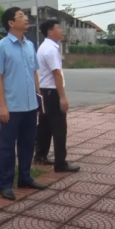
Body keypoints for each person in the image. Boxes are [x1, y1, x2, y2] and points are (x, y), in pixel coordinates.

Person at [0, 7, 47, 201]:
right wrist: (2, 106)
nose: (26, 19)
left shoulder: (30, 45)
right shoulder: (1, 46)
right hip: (12, 108)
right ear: (11, 23)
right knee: (7, 147)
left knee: (27, 144)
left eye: (25, 16)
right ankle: (5, 184)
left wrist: (39, 98)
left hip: (30, 106)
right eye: (21, 16)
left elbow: (34, 73)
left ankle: (25, 178)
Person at [34, 19, 80, 173]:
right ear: (50, 32)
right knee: (59, 128)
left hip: (44, 92)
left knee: (45, 126)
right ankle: (60, 163)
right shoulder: (52, 49)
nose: (61, 31)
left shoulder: (42, 47)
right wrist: (62, 96)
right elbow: (57, 74)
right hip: (52, 93)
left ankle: (40, 156)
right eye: (58, 28)